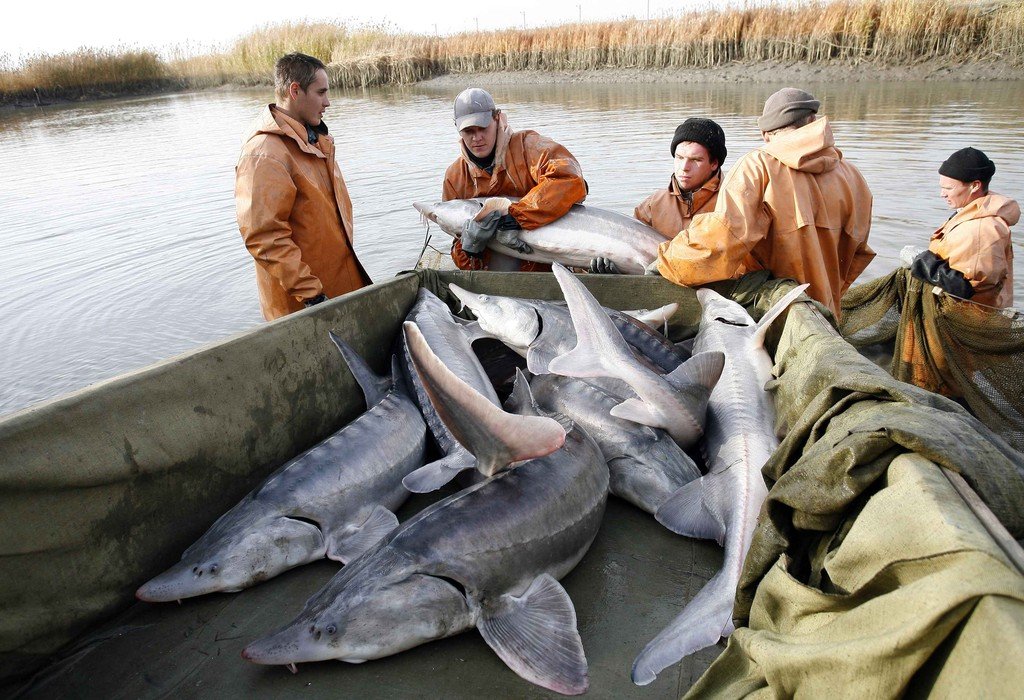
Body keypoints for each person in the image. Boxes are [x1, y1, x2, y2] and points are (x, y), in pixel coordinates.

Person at [652, 88, 875, 319]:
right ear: (813, 121)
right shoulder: (852, 175)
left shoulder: (757, 166)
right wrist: (827, 291)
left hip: (772, 314)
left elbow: (720, 243)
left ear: (765, 133)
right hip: (827, 311)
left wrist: (667, 261)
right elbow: (858, 253)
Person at [235, 52, 370, 321]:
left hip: (339, 292)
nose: (328, 102)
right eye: (321, 93)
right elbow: (266, 238)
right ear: (295, 90)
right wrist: (313, 296)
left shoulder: (315, 141)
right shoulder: (264, 153)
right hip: (306, 308)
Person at [443, 88, 587, 271]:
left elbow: (569, 179)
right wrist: (470, 249)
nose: (477, 138)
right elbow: (459, 247)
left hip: (549, 266)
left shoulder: (530, 147)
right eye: (469, 131)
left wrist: (517, 217)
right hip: (500, 276)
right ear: (457, 128)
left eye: (483, 128)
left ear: (497, 119)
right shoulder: (454, 177)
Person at [903, 147, 1018, 307]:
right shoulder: (970, 212)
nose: (942, 194)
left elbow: (966, 288)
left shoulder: (983, 229)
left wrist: (922, 262)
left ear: (975, 185)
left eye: (949, 188)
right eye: (941, 187)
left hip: (968, 321)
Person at [635, 117, 726, 238]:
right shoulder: (653, 204)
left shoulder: (732, 203)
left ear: (714, 163)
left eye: (695, 160)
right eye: (679, 157)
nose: (684, 167)